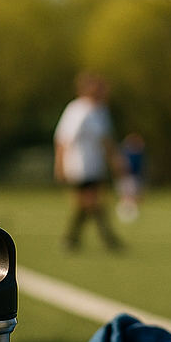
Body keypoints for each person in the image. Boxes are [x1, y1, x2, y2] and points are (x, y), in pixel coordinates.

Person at [54, 71, 124, 252]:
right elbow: (63, 139)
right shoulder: (77, 110)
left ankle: (71, 240)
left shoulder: (101, 111)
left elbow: (106, 141)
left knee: (87, 204)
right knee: (91, 202)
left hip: (95, 165)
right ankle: (108, 240)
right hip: (79, 165)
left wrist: (114, 160)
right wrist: (60, 164)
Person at [116, 132, 145, 223]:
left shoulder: (138, 154)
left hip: (134, 177)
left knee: (133, 196)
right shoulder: (125, 153)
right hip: (127, 177)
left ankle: (130, 214)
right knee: (126, 196)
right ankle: (125, 213)